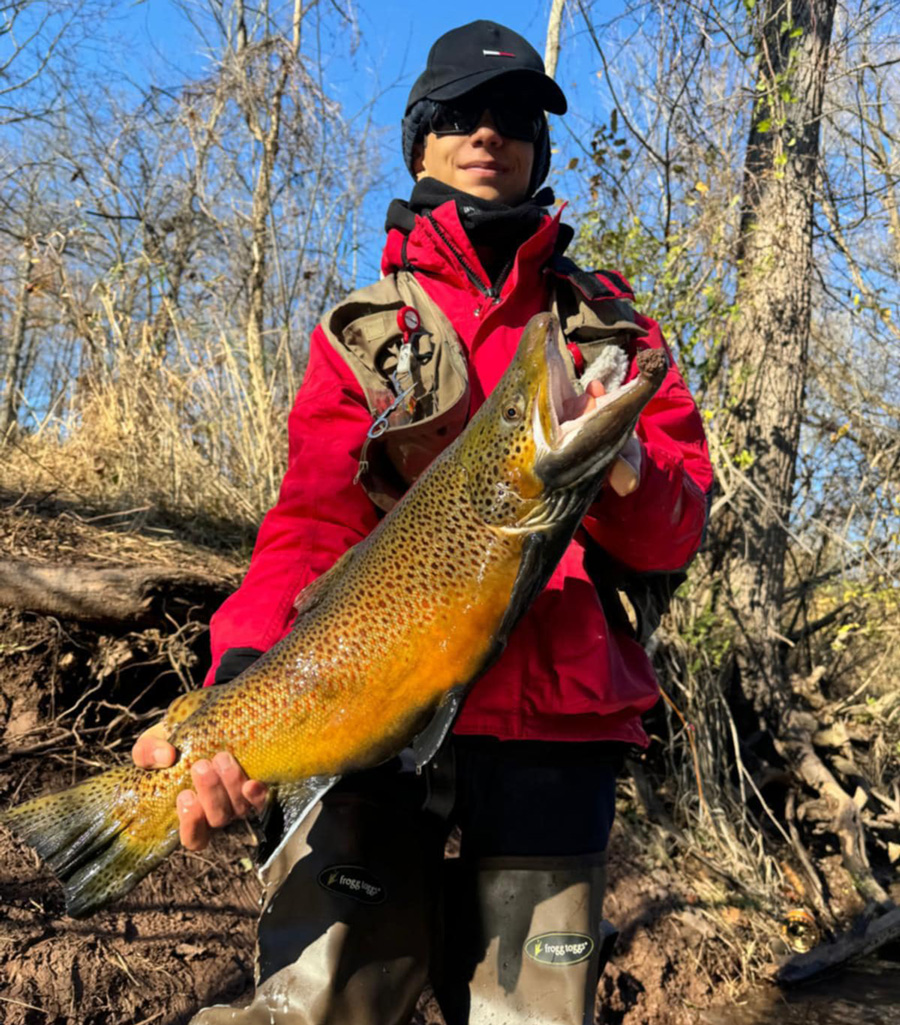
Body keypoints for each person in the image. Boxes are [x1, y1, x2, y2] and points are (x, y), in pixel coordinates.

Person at [132, 20, 712, 1025]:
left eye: (517, 117)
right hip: (368, 729)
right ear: (420, 143)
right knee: (320, 1009)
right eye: (459, 115)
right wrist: (239, 679)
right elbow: (309, 525)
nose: (489, 132)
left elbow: (674, 533)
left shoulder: (612, 333)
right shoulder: (361, 333)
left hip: (557, 737)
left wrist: (622, 461)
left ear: (539, 146)